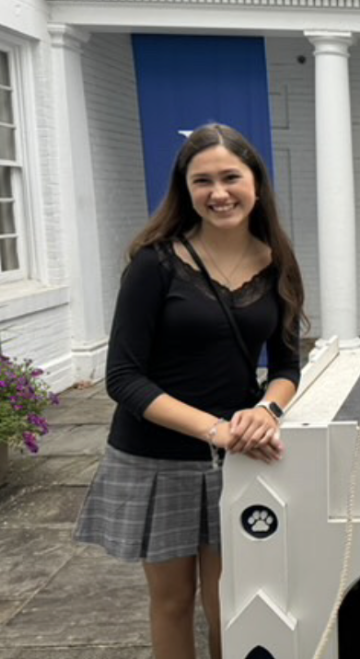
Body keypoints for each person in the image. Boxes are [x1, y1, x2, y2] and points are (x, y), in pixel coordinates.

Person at [75, 123, 307, 659]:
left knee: (231, 600)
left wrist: (267, 410)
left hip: (236, 459)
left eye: (231, 177)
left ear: (256, 183)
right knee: (174, 602)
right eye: (202, 180)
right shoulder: (153, 264)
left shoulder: (278, 265)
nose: (218, 192)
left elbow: (288, 364)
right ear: (185, 189)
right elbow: (124, 378)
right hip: (158, 457)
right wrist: (217, 429)